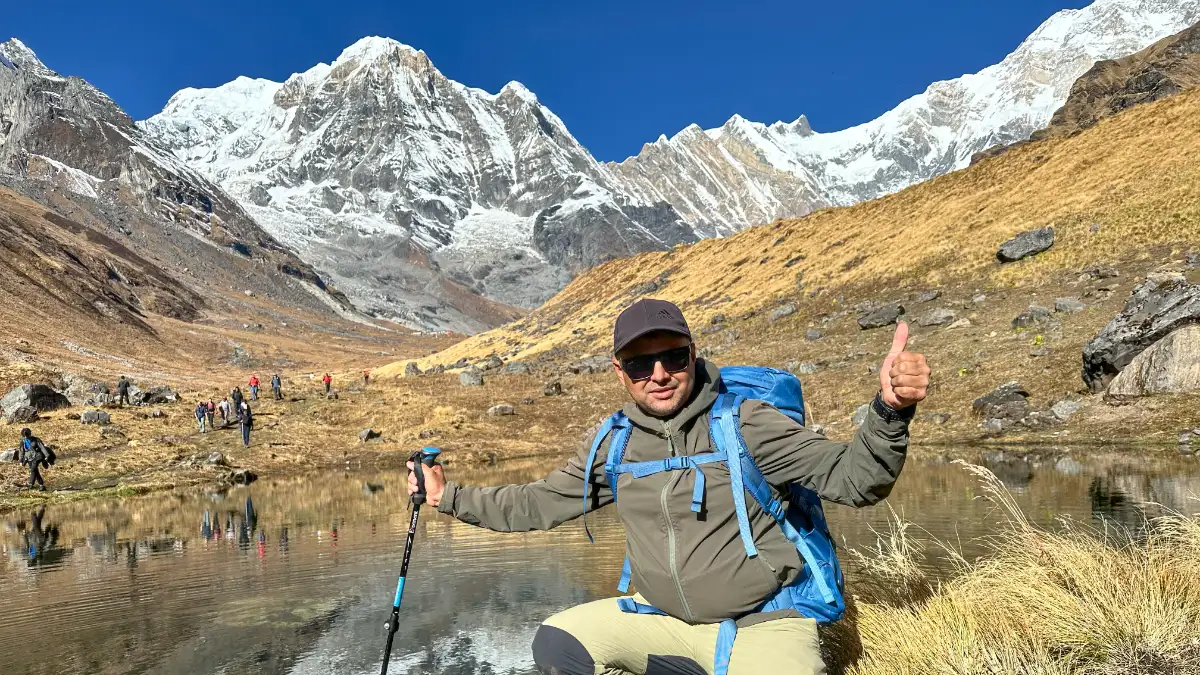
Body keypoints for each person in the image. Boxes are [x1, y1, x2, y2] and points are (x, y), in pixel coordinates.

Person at [408, 299, 930, 674]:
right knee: (557, 641)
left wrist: (889, 411)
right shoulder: (616, 444)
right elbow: (536, 503)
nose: (658, 373)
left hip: (763, 623)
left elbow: (857, 481)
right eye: (639, 362)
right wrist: (444, 497)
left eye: (673, 357)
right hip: (664, 619)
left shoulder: (747, 423)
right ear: (620, 370)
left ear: (693, 354)